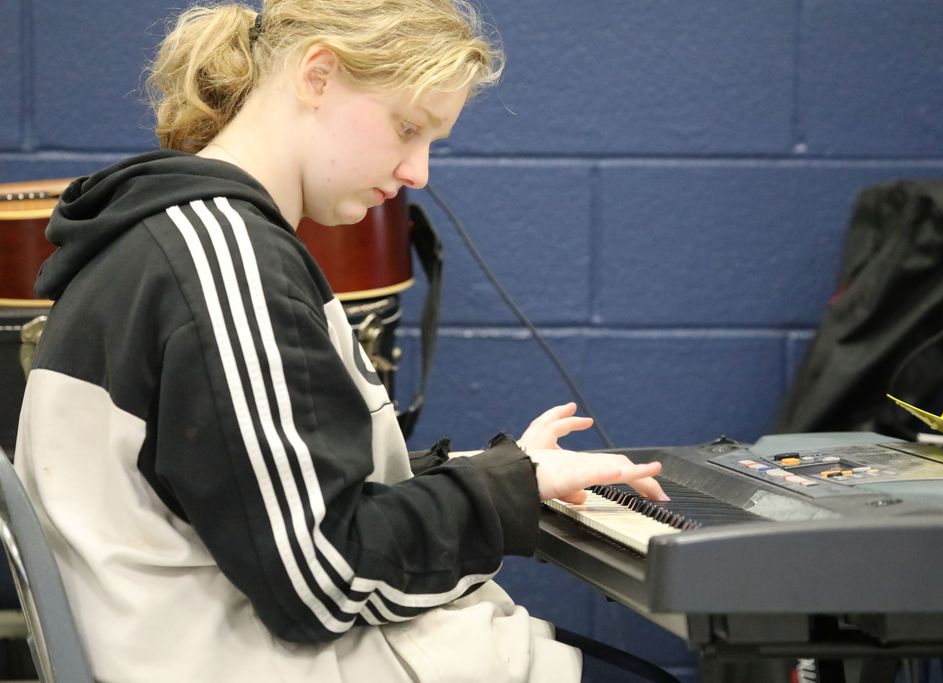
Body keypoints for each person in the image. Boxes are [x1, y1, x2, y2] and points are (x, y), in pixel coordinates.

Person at [14, 1, 668, 681]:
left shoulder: (174, 238)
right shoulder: (226, 263)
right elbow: (323, 582)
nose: (419, 172)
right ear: (318, 75)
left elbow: (259, 493)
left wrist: (502, 475)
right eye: (407, 127)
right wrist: (504, 495)